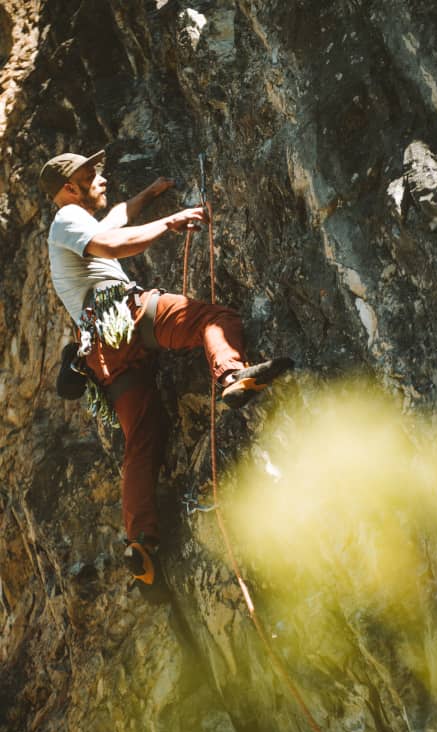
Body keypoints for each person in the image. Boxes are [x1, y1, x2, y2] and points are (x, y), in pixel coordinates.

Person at [39, 149, 293, 593]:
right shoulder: (66, 222)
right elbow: (113, 245)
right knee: (212, 319)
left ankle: (141, 543)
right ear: (67, 189)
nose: (99, 178)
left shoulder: (76, 224)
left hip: (102, 352)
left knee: (143, 439)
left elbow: (115, 220)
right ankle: (231, 375)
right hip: (123, 316)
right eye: (87, 175)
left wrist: (149, 195)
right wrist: (170, 222)